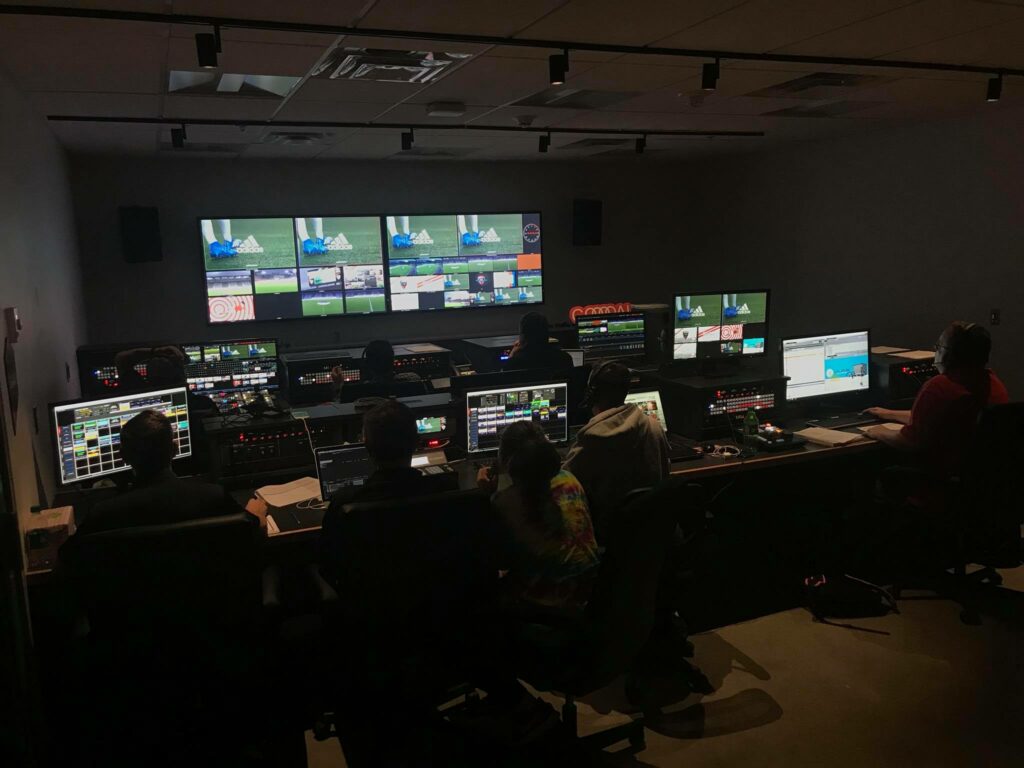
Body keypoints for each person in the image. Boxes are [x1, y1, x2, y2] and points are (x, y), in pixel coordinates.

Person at [71, 409, 266, 537]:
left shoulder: (103, 514)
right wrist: (256, 511)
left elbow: (67, 556)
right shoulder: (213, 496)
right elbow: (250, 529)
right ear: (174, 450)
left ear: (123, 456)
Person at [863, 321, 1008, 482]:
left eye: (939, 347)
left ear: (951, 355)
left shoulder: (940, 387)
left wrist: (879, 432)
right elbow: (936, 419)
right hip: (980, 485)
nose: (935, 351)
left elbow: (910, 441)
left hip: (938, 484)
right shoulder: (993, 383)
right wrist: (890, 414)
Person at [477, 421, 599, 611]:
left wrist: (487, 497)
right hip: (594, 597)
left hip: (545, 609)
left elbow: (500, 561)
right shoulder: (569, 479)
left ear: (506, 459)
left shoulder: (506, 502)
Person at [563, 361, 671, 533]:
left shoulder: (592, 437)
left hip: (607, 531)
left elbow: (564, 482)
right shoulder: (653, 426)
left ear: (592, 394)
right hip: (651, 531)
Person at [330, 339, 426, 401]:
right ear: (392, 361)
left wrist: (338, 385)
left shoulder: (352, 391)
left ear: (367, 364)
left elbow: (339, 407)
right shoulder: (414, 380)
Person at [502, 312, 573, 374]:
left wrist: (512, 354)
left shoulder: (513, 364)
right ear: (547, 334)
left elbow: (502, 379)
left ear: (523, 336)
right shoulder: (565, 358)